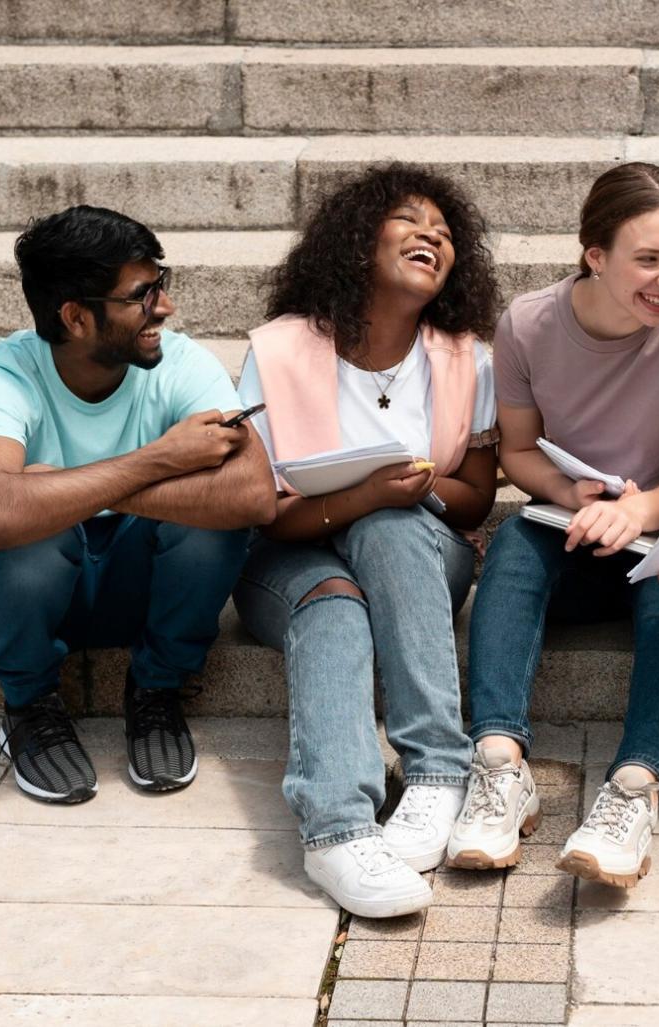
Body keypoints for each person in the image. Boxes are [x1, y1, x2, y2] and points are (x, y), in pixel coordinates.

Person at [448, 162, 659, 889]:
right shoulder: (528, 324)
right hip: (573, 532)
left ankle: (635, 788)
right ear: (595, 255)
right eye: (649, 259)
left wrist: (638, 510)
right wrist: (566, 492)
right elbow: (517, 451)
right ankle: (497, 768)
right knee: (515, 541)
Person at [232, 164, 501, 918]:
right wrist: (358, 494)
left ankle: (438, 770)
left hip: (417, 551)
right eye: (410, 221)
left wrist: (415, 491)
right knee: (334, 604)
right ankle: (338, 832)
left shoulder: (464, 356)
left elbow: (479, 495)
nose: (432, 237)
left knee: (386, 529)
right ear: (355, 240)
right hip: (290, 558)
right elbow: (262, 509)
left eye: (445, 234)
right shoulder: (279, 350)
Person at [0, 205, 275, 805]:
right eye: (141, 295)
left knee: (210, 522)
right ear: (75, 317)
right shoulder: (2, 374)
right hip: (23, 594)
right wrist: (162, 460)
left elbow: (254, 495)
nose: (165, 308)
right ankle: (28, 707)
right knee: (25, 527)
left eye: (161, 286)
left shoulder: (182, 363)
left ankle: (157, 692)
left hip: (136, 585)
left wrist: (56, 489)